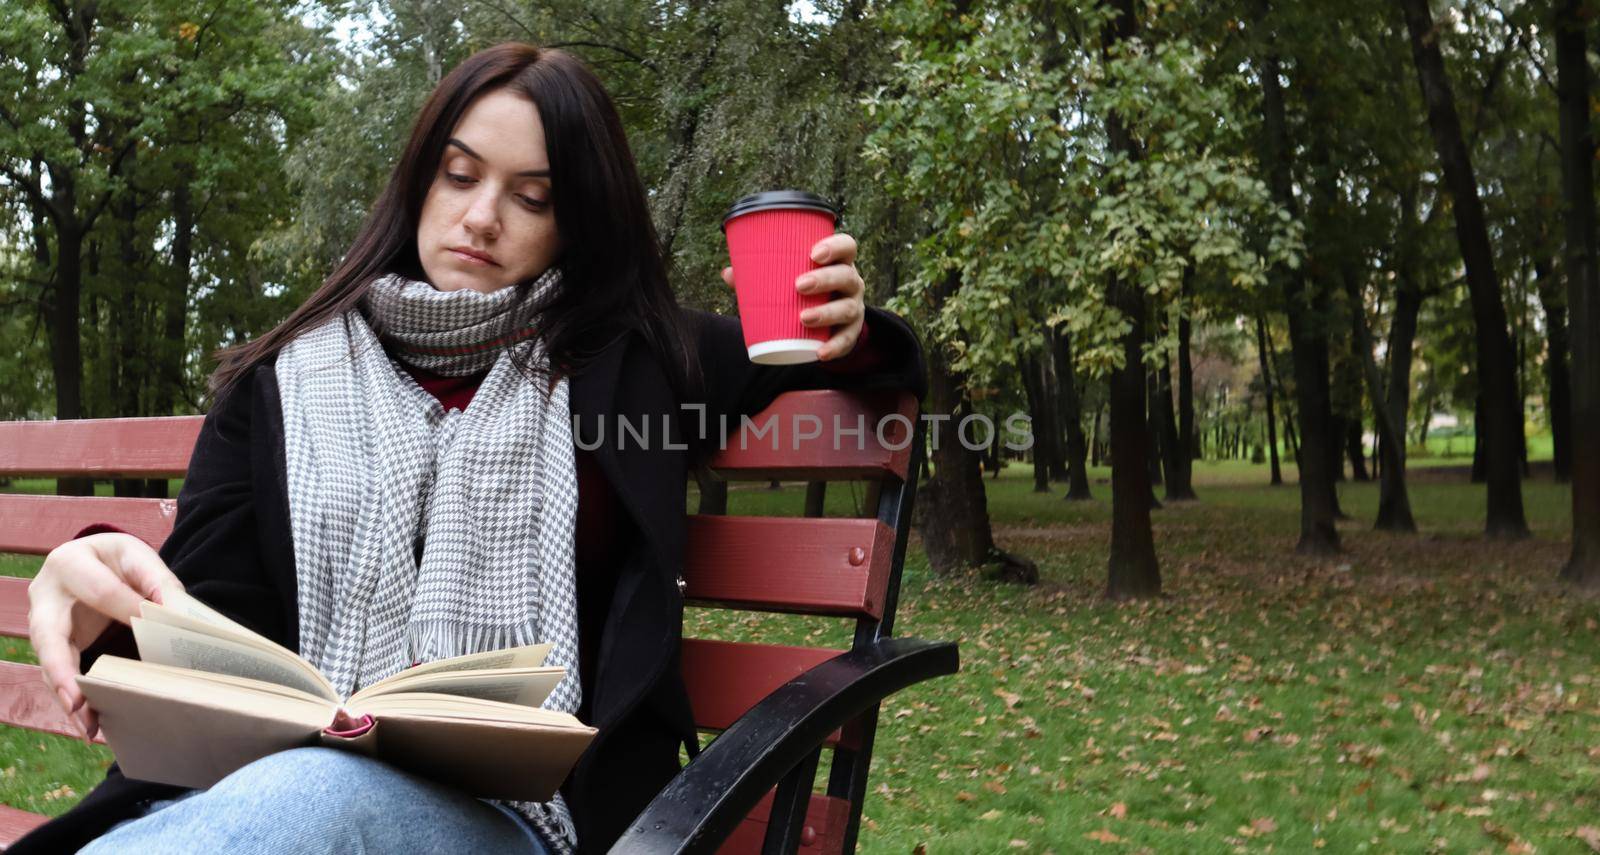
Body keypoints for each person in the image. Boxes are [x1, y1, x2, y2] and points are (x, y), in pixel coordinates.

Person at [12, 42, 924, 855]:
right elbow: (204, 623)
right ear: (420, 181)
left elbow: (837, 365)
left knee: (319, 793)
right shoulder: (282, 381)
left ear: (577, 220)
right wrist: (102, 583)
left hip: (524, 821)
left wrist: (842, 324)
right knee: (309, 791)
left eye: (533, 197)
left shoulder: (638, 363)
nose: (483, 217)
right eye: (459, 175)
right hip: (274, 799)